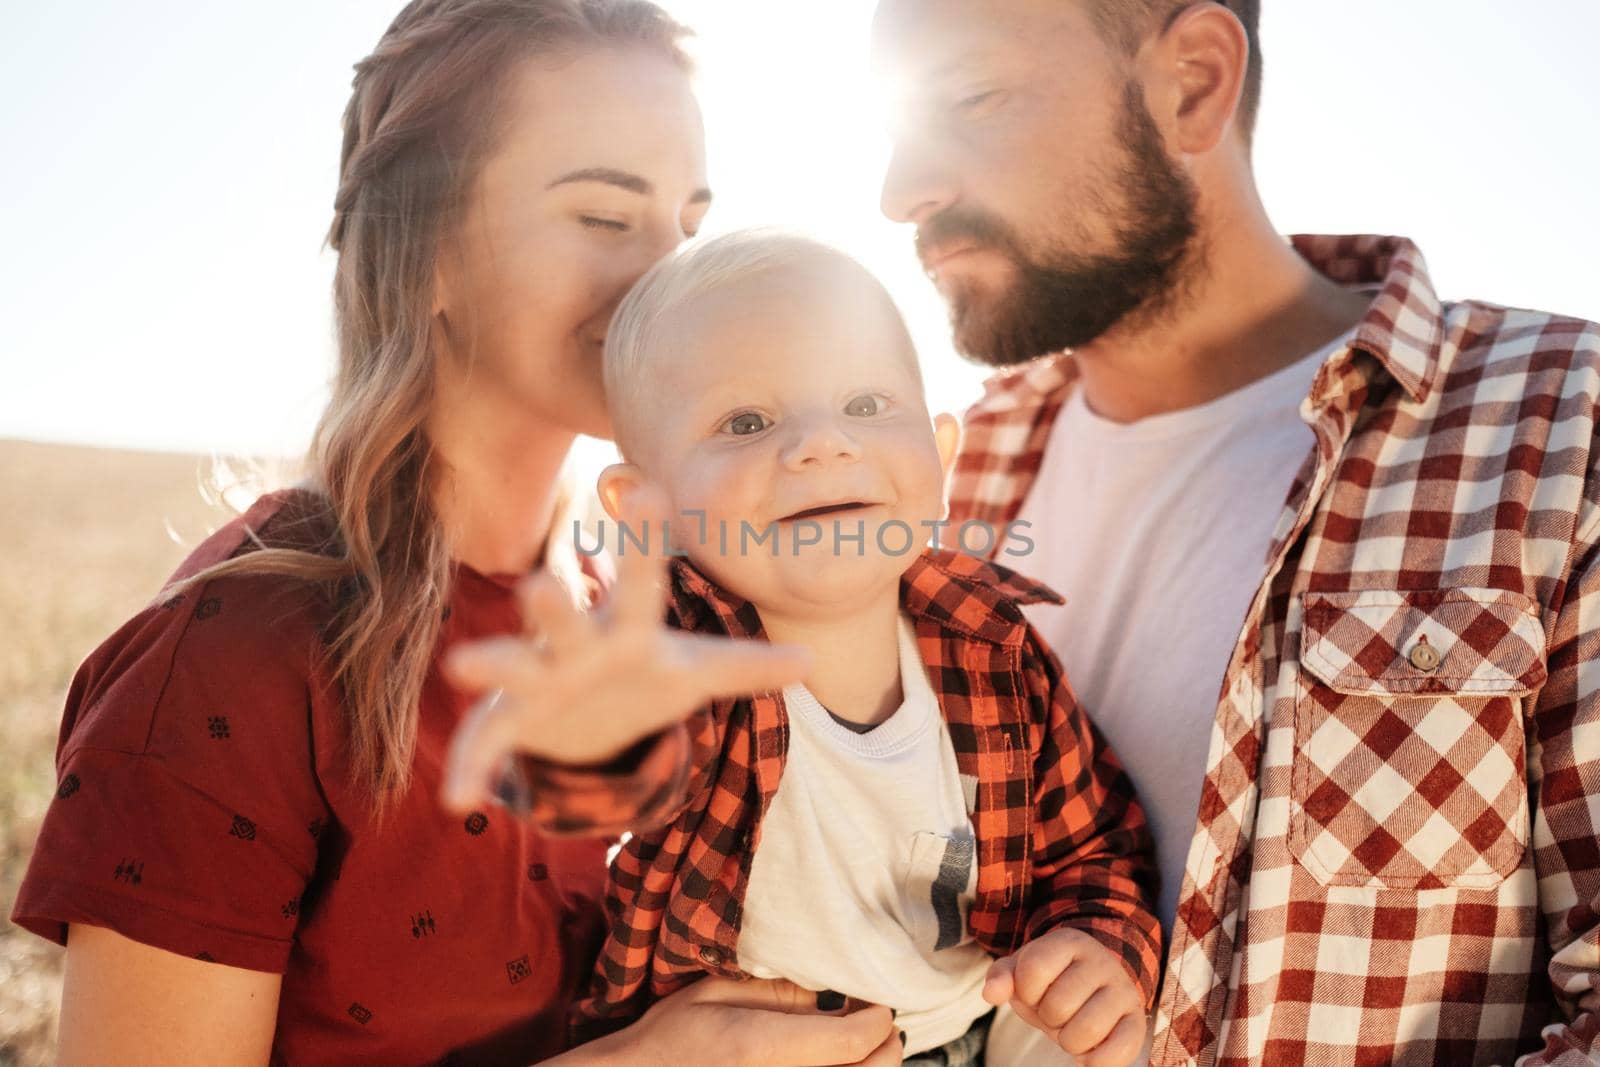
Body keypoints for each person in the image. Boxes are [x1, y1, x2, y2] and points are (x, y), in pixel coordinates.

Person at [8, 2, 900, 1064]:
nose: (669, 276)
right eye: (605, 219)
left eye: (687, 226)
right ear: (423, 247)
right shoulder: (231, 657)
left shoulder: (651, 611)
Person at [872, 0, 1600, 1063]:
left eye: (973, 100)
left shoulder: (1559, 425)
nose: (902, 194)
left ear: (1194, 82)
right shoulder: (931, 486)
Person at [440, 231, 1163, 1067]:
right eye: (746, 421)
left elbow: (1093, 844)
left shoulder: (995, 649)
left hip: (972, 1026)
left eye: (865, 405)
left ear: (942, 453)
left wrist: (1099, 943)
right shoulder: (678, 645)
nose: (824, 443)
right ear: (647, 505)